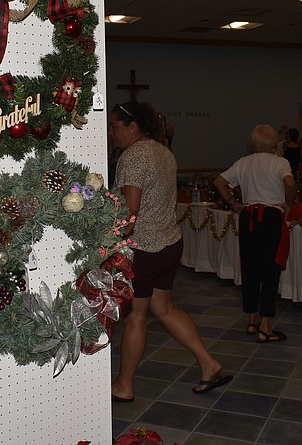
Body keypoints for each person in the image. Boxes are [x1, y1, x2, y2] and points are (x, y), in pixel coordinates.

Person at [108, 101, 228, 401]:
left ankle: (123, 385)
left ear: (132, 126)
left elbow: (130, 212)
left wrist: (108, 240)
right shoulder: (163, 151)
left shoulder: (133, 156)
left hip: (144, 248)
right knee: (163, 308)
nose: (111, 132)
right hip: (170, 243)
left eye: (114, 126)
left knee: (136, 316)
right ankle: (209, 363)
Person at [213, 124, 296, 343]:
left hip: (248, 216)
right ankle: (265, 326)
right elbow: (289, 182)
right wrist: (289, 203)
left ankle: (252, 319)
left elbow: (219, 181)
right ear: (274, 142)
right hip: (271, 216)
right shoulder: (280, 162)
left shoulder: (244, 162)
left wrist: (233, 203)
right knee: (270, 270)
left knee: (250, 268)